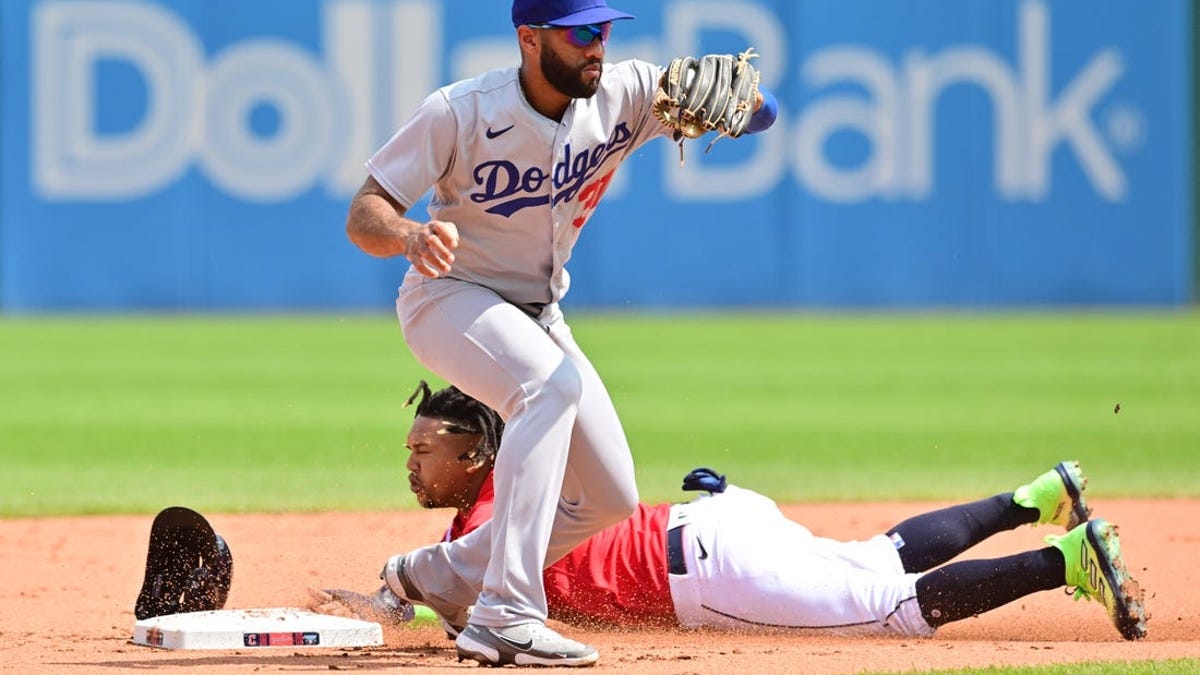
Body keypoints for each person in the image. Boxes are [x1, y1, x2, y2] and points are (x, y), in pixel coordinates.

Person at [342, 0, 778, 667]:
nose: (597, 46)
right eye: (581, 33)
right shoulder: (459, 111)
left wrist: (748, 100)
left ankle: (438, 574)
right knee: (547, 386)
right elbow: (365, 211)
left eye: (604, 30)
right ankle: (505, 614)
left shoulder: (628, 93)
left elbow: (761, 113)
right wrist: (409, 235)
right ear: (530, 39)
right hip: (449, 297)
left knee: (609, 495)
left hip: (540, 313)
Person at [310, 383, 1149, 646]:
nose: (412, 462)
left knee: (888, 610)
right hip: (714, 521)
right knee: (879, 557)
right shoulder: (517, 483)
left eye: (426, 449)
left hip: (706, 573)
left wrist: (389, 588)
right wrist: (398, 588)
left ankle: (1066, 559)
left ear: (476, 457)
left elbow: (459, 594)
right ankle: (1039, 495)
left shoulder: (485, 524)